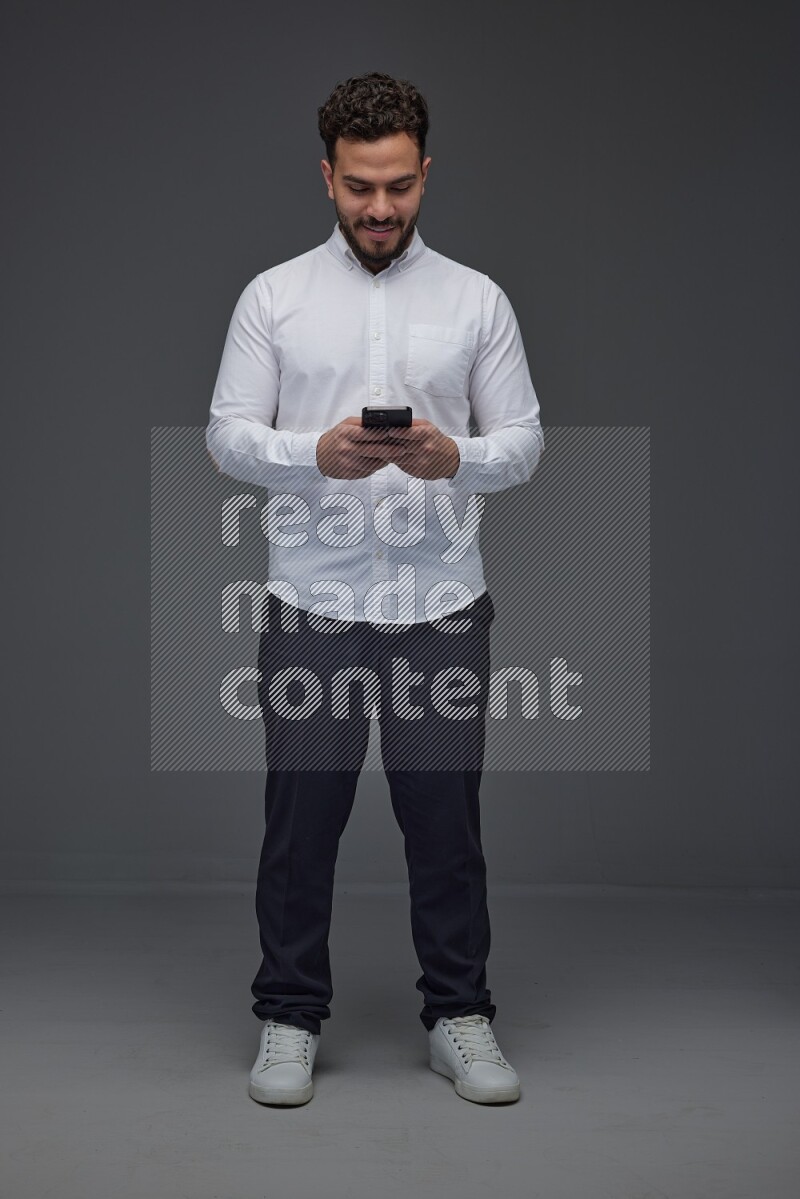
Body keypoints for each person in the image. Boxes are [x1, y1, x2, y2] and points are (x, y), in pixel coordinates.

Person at [206, 71, 544, 1106]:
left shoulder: (475, 299)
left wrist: (455, 460)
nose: (380, 208)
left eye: (398, 185)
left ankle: (458, 1012)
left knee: (444, 822)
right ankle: (287, 1014)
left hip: (439, 605)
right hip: (312, 604)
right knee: (300, 821)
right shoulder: (274, 296)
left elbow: (524, 441)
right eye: (359, 186)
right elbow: (225, 433)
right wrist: (314, 451)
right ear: (326, 177)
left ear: (424, 173)